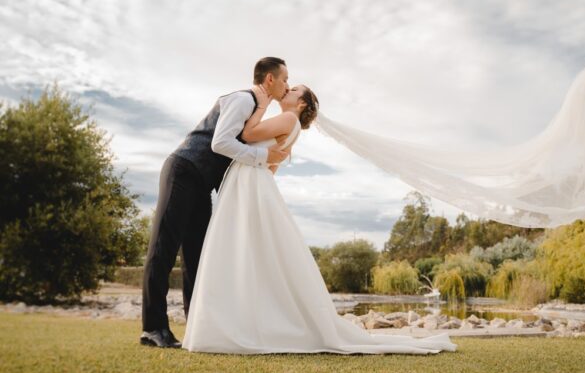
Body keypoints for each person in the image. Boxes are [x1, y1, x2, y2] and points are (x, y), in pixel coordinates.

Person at [182, 84, 457, 355]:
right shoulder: (292, 129)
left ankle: (241, 322)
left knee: (245, 247)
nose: (286, 90)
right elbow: (273, 166)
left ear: (301, 104)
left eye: (293, 91)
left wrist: (261, 106)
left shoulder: (287, 118)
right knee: (256, 250)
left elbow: (247, 133)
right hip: (257, 183)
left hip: (252, 183)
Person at [140, 57, 291, 348]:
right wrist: (263, 157)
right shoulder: (242, 99)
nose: (287, 84)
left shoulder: (257, 110)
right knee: (163, 247)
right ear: (269, 80)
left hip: (202, 184)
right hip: (183, 170)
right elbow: (219, 143)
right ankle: (153, 328)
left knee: (197, 258)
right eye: (284, 78)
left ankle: (198, 328)